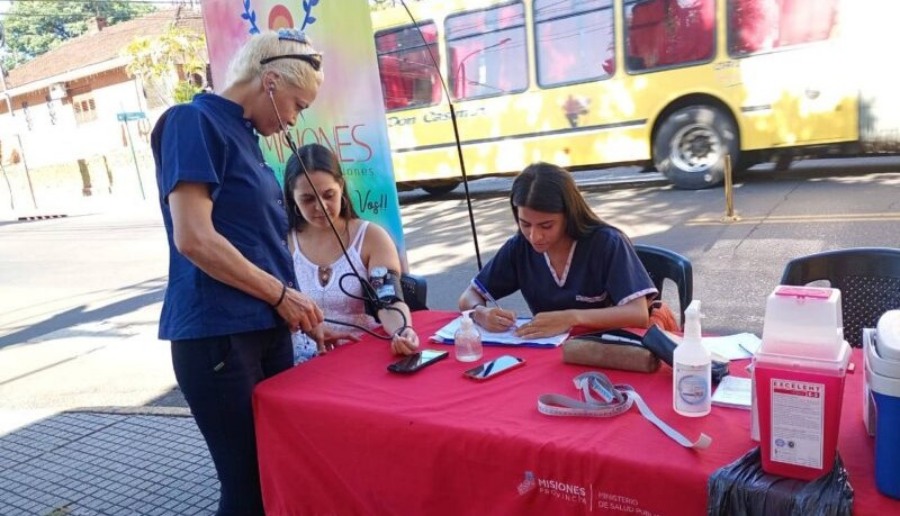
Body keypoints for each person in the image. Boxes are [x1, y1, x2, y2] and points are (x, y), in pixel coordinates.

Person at [150, 29, 325, 516]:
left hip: (266, 327)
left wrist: (306, 312)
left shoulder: (246, 138)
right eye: (297, 103)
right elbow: (194, 238)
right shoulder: (192, 120)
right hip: (219, 334)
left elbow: (259, 245)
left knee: (278, 474)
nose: (295, 119)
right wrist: (282, 297)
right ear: (269, 81)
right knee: (248, 486)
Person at [458, 162, 658, 339]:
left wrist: (571, 318)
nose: (534, 236)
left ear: (569, 215)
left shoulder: (607, 243)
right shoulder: (520, 246)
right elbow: (470, 296)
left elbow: (637, 314)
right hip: (549, 351)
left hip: (605, 348)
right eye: (525, 224)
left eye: (546, 226)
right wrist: (479, 313)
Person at [284, 143, 420, 363]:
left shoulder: (371, 237)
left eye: (329, 195)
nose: (320, 207)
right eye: (307, 199)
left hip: (361, 356)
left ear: (341, 186)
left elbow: (388, 299)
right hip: (302, 362)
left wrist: (402, 331)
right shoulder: (283, 240)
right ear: (292, 198)